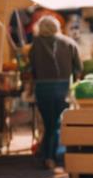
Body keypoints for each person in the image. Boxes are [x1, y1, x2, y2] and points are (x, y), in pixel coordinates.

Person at [28, 15, 81, 169]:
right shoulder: (69, 43)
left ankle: (48, 156)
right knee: (56, 123)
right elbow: (78, 69)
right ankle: (50, 156)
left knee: (49, 123)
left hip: (42, 88)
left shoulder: (35, 45)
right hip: (62, 87)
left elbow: (31, 69)